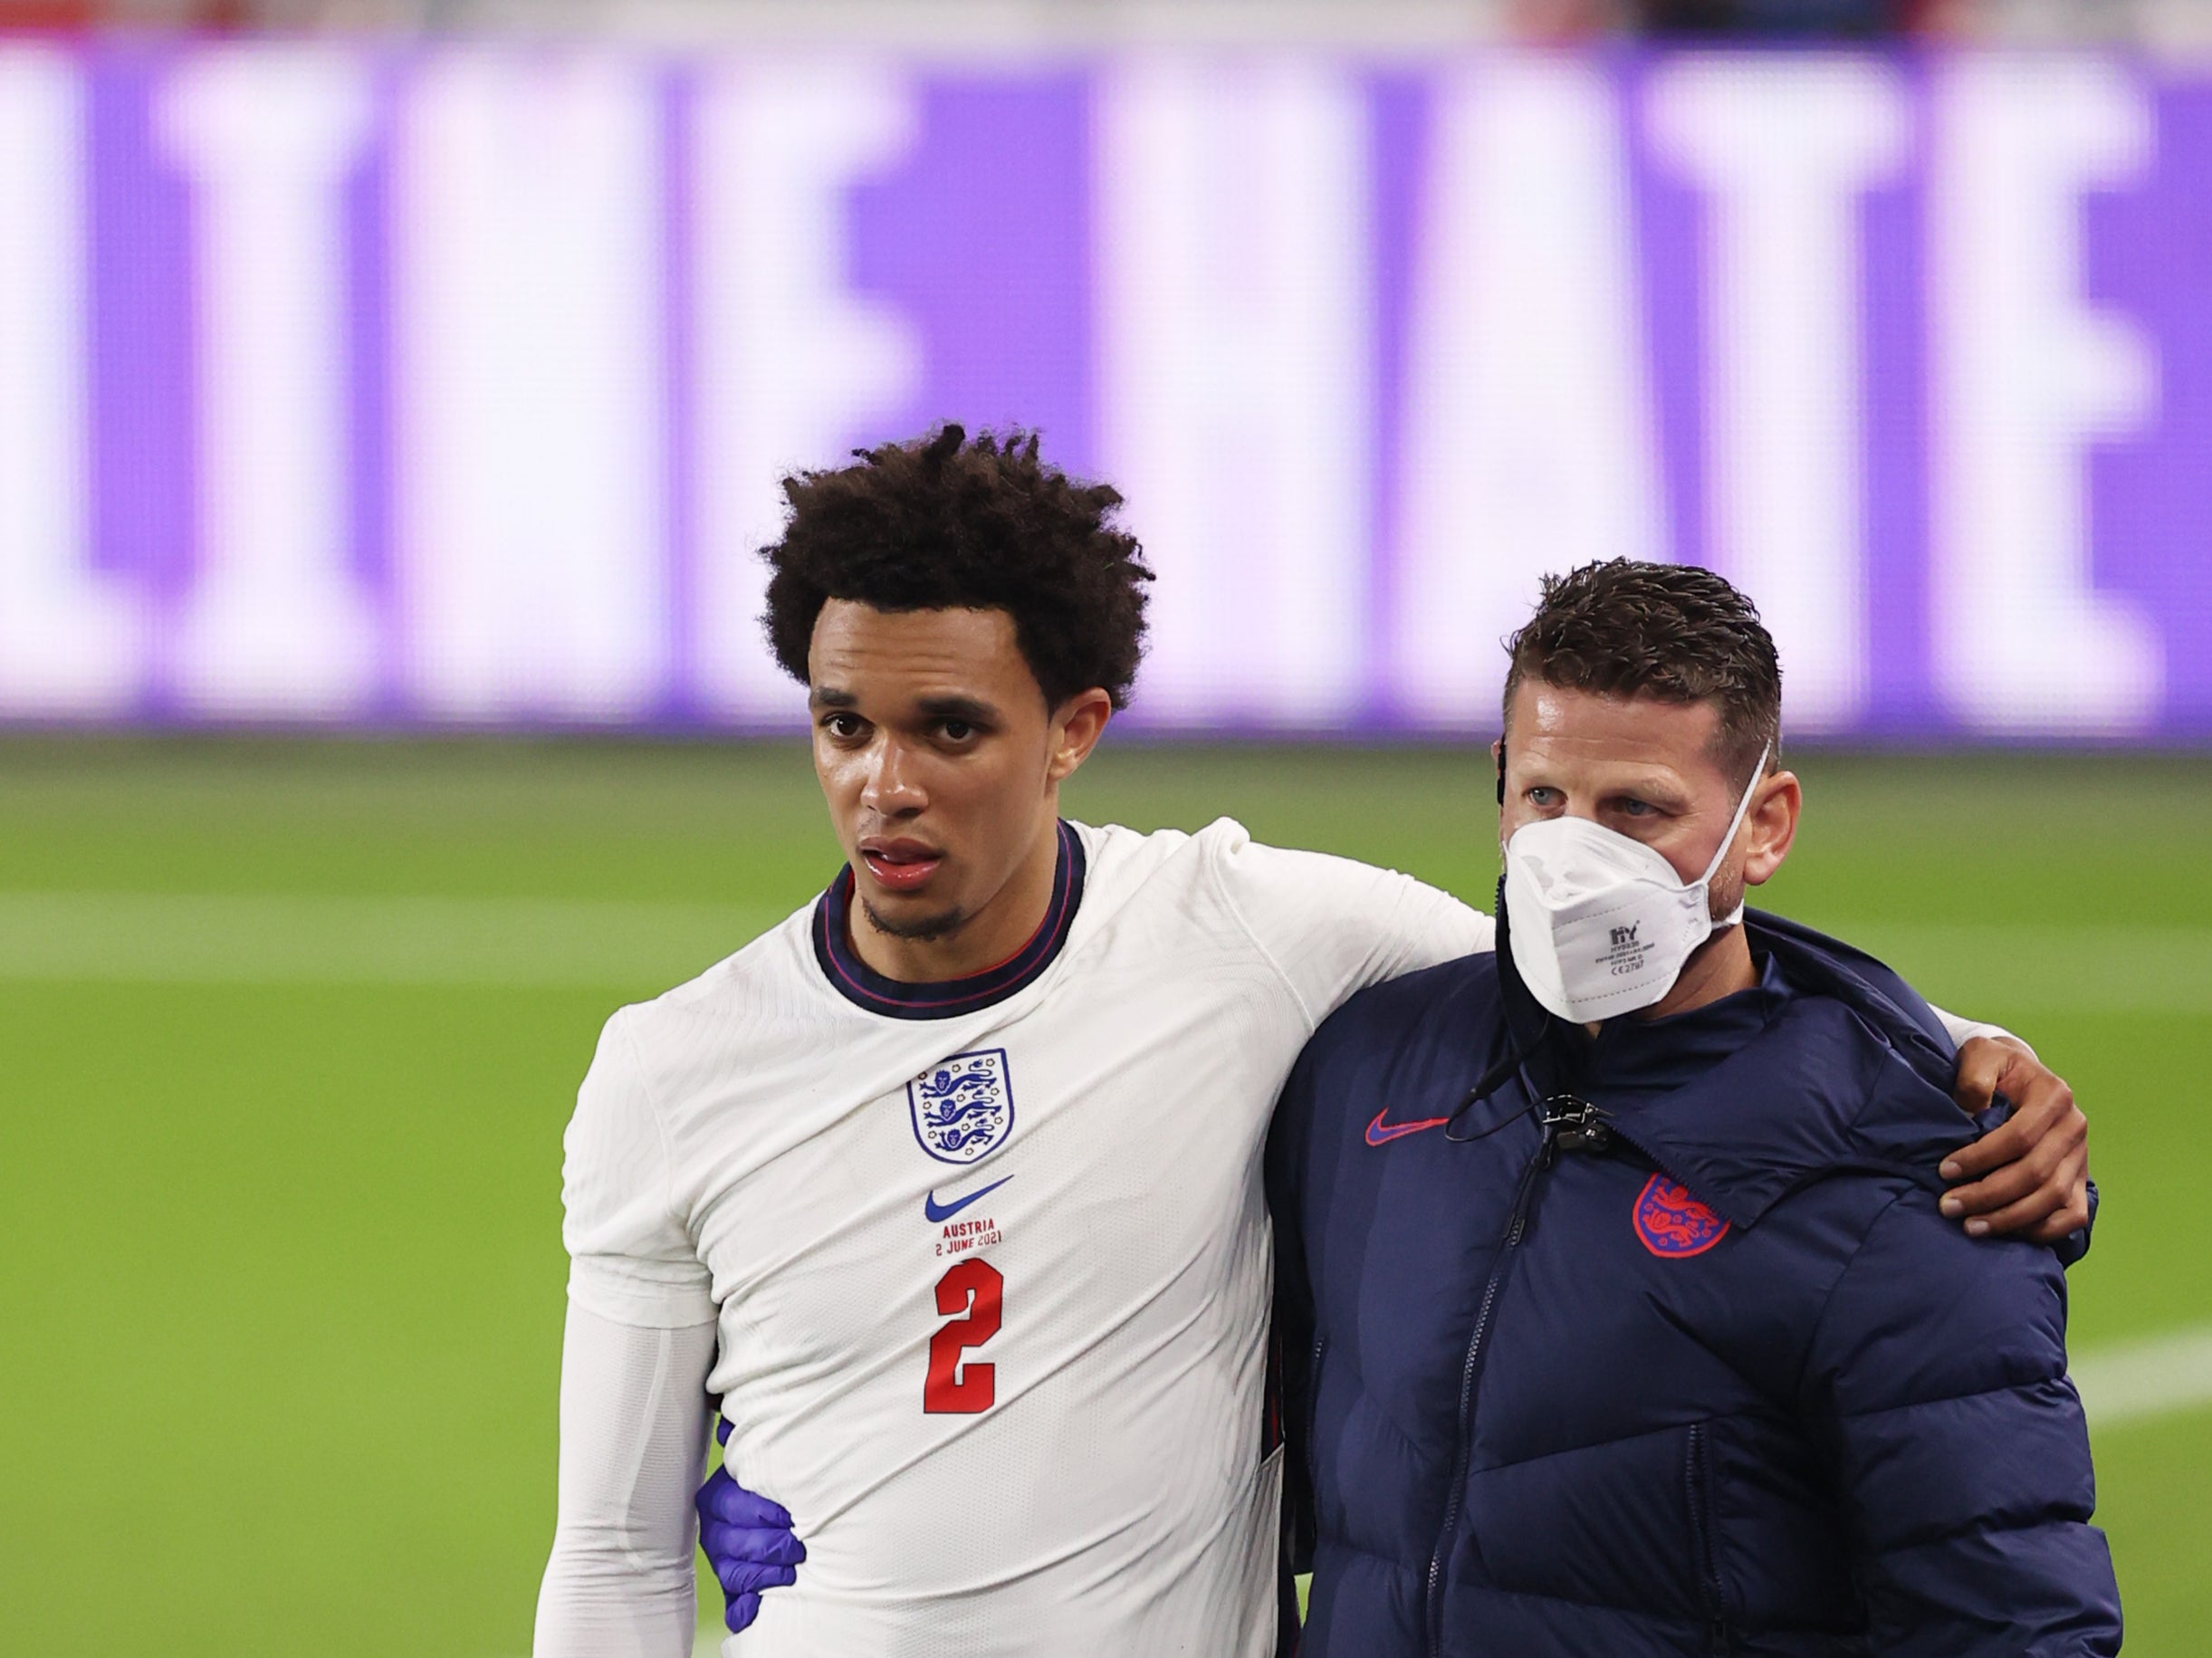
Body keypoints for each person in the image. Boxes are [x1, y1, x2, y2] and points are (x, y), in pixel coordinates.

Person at [534, 427, 2088, 1657]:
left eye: (949, 728)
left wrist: (1967, 1051)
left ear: (1072, 727)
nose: (884, 781)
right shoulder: (672, 1073)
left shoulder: (1259, 940)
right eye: (840, 724)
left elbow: (1611, 967)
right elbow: (608, 1551)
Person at [1267, 560, 2119, 1654]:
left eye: (1635, 810)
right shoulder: (1368, 1072)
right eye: (1544, 799)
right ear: (1499, 783)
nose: (1576, 859)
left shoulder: (1913, 1171)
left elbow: (2011, 1622)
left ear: (1762, 826)